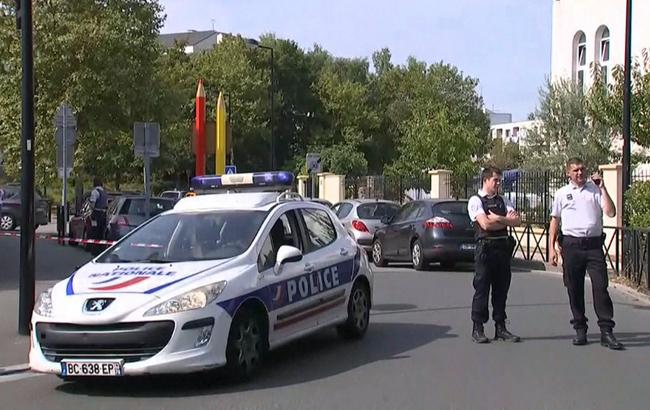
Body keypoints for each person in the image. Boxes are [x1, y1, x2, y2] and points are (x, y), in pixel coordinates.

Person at [549, 158, 623, 350]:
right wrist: (551, 248)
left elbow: (611, 212)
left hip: (593, 246)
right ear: (568, 173)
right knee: (574, 288)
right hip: (571, 245)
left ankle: (606, 331)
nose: (580, 173)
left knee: (601, 287)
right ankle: (580, 328)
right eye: (575, 170)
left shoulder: (595, 190)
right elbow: (555, 221)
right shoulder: (562, 193)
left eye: (582, 169)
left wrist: (603, 188)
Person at [467, 166, 522, 343]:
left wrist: (498, 218)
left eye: (499, 180)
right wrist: (506, 221)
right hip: (486, 249)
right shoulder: (476, 201)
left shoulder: (503, 200)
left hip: (502, 249)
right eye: (495, 180)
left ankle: (501, 328)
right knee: (482, 289)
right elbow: (485, 225)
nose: (498, 183)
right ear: (485, 180)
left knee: (501, 290)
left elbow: (517, 221)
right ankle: (478, 328)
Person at [88, 177, 108, 253]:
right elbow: (106, 205)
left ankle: (94, 249)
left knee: (94, 231)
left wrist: (90, 204)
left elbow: (92, 205)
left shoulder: (95, 192)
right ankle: (101, 249)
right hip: (103, 214)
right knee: (101, 231)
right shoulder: (104, 193)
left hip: (96, 214)